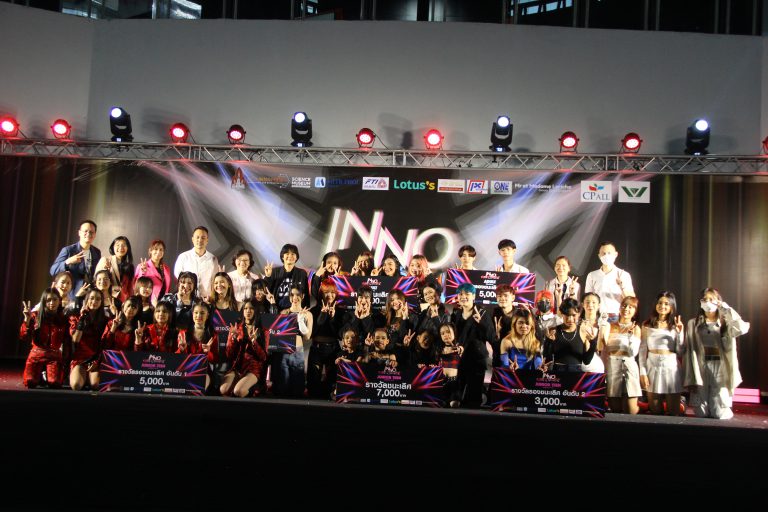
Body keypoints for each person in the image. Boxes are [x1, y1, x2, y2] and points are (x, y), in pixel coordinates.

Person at [683, 288, 749, 420]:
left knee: (719, 413)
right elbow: (688, 349)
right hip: (700, 364)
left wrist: (726, 309)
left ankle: (721, 408)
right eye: (704, 299)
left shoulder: (725, 322)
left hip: (719, 364)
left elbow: (742, 328)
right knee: (701, 413)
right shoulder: (693, 323)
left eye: (711, 299)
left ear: (718, 301)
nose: (707, 302)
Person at [450, 283, 495, 408]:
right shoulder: (456, 313)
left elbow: (491, 337)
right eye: (460, 294)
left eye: (467, 294)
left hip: (476, 359)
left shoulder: (482, 313)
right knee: (455, 398)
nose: (463, 296)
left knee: (473, 399)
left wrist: (481, 323)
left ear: (474, 296)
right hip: (459, 359)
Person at [640, 292, 685, 416]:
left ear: (672, 307)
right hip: (652, 365)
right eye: (660, 303)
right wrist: (643, 373)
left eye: (666, 304)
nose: (662, 306)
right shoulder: (647, 324)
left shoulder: (676, 325)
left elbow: (680, 351)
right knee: (655, 409)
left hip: (671, 366)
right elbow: (642, 350)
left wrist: (680, 333)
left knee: (673, 411)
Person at [600, 296, 642, 414]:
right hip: (612, 365)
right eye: (624, 306)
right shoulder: (610, 326)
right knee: (615, 408)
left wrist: (630, 337)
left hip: (629, 364)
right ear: (619, 308)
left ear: (635, 311)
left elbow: (633, 352)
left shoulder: (636, 328)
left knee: (631, 409)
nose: (626, 309)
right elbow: (604, 346)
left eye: (631, 307)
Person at [19, 288, 68, 388]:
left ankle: (45, 375)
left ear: (59, 301)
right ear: (44, 301)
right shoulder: (35, 316)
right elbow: (24, 336)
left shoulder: (63, 319)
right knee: (30, 382)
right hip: (37, 353)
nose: (52, 303)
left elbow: (67, 341)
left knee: (55, 383)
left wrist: (65, 361)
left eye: (55, 299)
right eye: (48, 300)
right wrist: (27, 320)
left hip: (54, 355)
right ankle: (40, 375)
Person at [220, 299, 267, 398]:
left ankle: (254, 390)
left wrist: (254, 342)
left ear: (256, 311)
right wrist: (233, 339)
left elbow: (263, 357)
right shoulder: (236, 328)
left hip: (253, 368)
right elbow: (229, 354)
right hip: (237, 367)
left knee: (239, 391)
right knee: (223, 390)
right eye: (245, 308)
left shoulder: (263, 331)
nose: (248, 311)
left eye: (251, 308)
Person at [273, 285, 313, 397]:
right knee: (282, 388)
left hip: (298, 352)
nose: (295, 297)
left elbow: (307, 337)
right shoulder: (283, 313)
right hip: (283, 352)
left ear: (303, 296)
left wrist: (301, 320)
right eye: (292, 295)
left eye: (297, 294)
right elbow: (276, 334)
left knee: (297, 390)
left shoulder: (308, 314)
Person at [307, 279, 344, 399]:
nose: (330, 295)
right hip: (316, 348)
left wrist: (332, 318)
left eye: (332, 292)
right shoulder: (314, 310)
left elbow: (339, 335)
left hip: (333, 348)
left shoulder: (340, 311)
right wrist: (321, 316)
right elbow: (311, 334)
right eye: (326, 292)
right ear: (321, 293)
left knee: (331, 383)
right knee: (313, 386)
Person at [50, 219, 102, 299]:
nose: (88, 234)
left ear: (95, 234)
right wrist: (68, 262)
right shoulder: (68, 250)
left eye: (91, 232)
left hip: (89, 297)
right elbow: (53, 270)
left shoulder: (96, 252)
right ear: (79, 233)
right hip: (72, 295)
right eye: (85, 231)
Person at [584, 242, 634, 322]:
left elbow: (631, 299)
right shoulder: (592, 275)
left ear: (616, 254)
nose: (606, 256)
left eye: (609, 253)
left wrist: (622, 286)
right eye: (603, 253)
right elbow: (587, 297)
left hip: (615, 315)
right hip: (596, 315)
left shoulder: (623, 275)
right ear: (599, 256)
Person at [543, 298, 597, 373]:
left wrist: (593, 343)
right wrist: (549, 342)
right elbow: (547, 359)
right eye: (567, 315)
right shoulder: (553, 331)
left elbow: (586, 361)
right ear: (562, 314)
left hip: (576, 374)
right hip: (558, 372)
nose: (570, 319)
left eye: (574, 315)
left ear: (579, 314)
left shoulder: (583, 332)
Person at [69, 288, 108, 390]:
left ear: (101, 302)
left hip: (96, 359)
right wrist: (82, 319)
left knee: (95, 385)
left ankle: (87, 378)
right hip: (80, 359)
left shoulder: (105, 320)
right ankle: (83, 377)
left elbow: (105, 344)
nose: (94, 301)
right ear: (86, 300)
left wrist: (97, 361)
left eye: (98, 299)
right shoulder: (76, 317)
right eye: (91, 298)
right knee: (76, 385)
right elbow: (75, 340)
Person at [177, 301, 216, 392]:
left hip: (204, 371)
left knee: (198, 389)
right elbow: (177, 358)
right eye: (196, 313)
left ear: (207, 315)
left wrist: (208, 352)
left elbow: (214, 359)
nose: (198, 316)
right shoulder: (183, 334)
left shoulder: (213, 335)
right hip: (186, 370)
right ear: (192, 314)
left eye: (202, 313)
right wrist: (181, 350)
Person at [173, 226, 219, 300]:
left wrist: (211, 298)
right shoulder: (183, 257)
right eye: (197, 237)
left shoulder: (213, 259)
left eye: (203, 238)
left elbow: (214, 281)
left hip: (206, 300)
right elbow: (178, 277)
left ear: (207, 240)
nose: (200, 240)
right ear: (193, 239)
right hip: (187, 298)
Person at [263, 243, 309, 309]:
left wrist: (305, 309)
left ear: (296, 257)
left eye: (293, 254)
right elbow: (266, 291)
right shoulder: (274, 272)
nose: (290, 256)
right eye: (287, 254)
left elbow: (305, 294)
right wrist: (268, 276)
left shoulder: (302, 273)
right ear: (282, 257)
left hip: (295, 310)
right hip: (276, 310)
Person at [95, 235, 135, 302]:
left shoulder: (130, 266)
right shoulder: (105, 260)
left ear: (128, 248)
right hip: (107, 298)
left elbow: (130, 287)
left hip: (124, 300)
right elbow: (97, 281)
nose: (121, 248)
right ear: (113, 247)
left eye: (124, 245)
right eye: (118, 245)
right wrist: (106, 270)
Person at [134, 239, 172, 306]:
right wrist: (143, 272)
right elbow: (137, 284)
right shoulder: (143, 266)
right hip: (147, 302)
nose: (158, 252)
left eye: (161, 250)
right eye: (156, 249)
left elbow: (167, 287)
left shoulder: (166, 268)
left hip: (162, 303)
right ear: (150, 251)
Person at [579, 292, 606, 373]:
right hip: (577, 364)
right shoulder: (577, 323)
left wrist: (602, 325)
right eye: (587, 302)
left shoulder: (604, 324)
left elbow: (600, 347)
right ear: (583, 304)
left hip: (595, 366)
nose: (590, 305)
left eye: (594, 302)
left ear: (599, 305)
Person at [439, 323, 464, 408]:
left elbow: (459, 350)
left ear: (454, 333)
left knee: (454, 404)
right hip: (441, 382)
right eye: (442, 333)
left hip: (454, 383)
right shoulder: (439, 349)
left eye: (448, 332)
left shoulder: (459, 347)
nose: (445, 335)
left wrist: (455, 347)